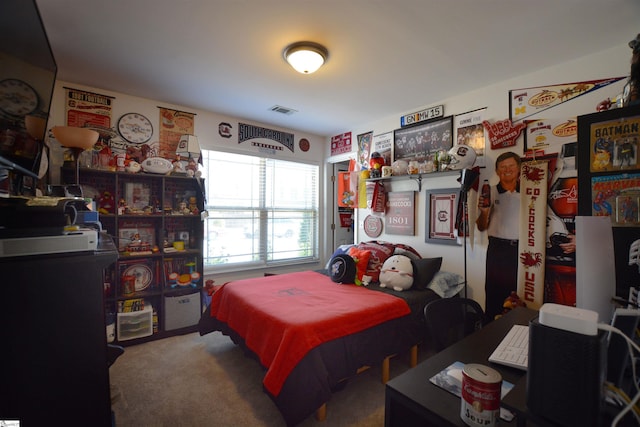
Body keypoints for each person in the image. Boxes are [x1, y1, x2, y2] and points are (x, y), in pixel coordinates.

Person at [476, 151, 521, 320]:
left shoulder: (530, 192)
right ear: (496, 171)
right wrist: (484, 212)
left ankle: (516, 336)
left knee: (518, 295)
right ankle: (490, 337)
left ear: (519, 169)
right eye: (502, 167)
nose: (507, 170)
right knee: (494, 295)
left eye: (511, 166)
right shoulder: (491, 192)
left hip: (521, 250)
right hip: (497, 250)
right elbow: (481, 227)